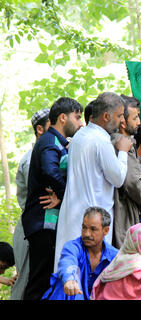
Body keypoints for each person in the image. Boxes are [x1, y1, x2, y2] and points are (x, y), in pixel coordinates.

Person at [54, 92, 133, 270]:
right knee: (87, 274)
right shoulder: (101, 141)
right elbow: (118, 178)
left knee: (70, 268)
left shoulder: (80, 136)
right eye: (120, 115)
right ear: (106, 116)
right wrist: (123, 151)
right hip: (93, 219)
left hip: (74, 214)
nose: (122, 121)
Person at [22, 97, 83, 300]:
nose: (81, 123)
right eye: (77, 117)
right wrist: (66, 195)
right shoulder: (50, 141)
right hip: (42, 221)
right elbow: (49, 171)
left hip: (49, 223)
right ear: (63, 117)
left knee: (46, 278)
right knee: (39, 281)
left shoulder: (59, 142)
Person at [12, 108, 50, 300]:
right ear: (40, 129)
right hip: (30, 227)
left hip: (37, 225)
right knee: (26, 279)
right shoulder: (32, 160)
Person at [41, 207, 118, 300]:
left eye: (93, 229)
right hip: (72, 296)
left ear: (106, 230)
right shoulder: (72, 247)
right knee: (66, 286)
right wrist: (69, 280)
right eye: (84, 227)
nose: (86, 234)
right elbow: (67, 262)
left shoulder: (115, 256)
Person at [111, 94, 141, 248]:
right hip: (123, 212)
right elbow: (132, 183)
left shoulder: (120, 141)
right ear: (122, 122)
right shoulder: (122, 143)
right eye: (135, 118)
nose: (139, 122)